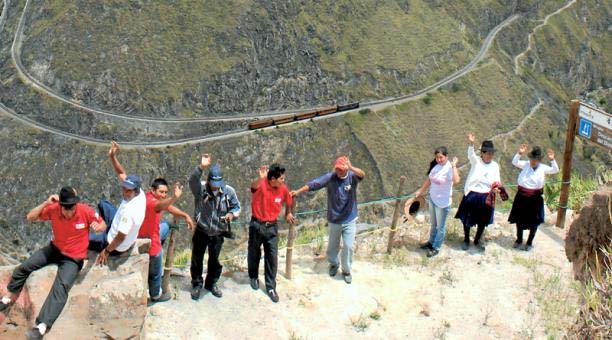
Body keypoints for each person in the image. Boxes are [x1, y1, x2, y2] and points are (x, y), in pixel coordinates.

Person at [0, 187, 106, 339]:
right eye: (66, 208)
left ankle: (41, 327)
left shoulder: (85, 211)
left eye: (72, 207)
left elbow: (103, 224)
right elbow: (30, 217)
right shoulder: (54, 209)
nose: (69, 211)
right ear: (60, 205)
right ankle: (7, 298)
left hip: (73, 258)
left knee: (61, 287)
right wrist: (45, 203)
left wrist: (98, 227)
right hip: (55, 249)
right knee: (24, 267)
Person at [291, 156, 365, 284]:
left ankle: (346, 270)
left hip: (349, 219)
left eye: (342, 169)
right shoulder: (330, 178)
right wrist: (298, 191)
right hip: (334, 219)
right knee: (332, 246)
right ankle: (333, 264)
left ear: (347, 168)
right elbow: (314, 184)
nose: (339, 171)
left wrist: (351, 167)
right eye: (337, 169)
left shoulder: (352, 177)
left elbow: (363, 174)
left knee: (348, 246)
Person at [188, 153, 241, 300]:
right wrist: (201, 167)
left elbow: (237, 207)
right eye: (213, 184)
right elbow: (192, 181)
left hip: (218, 232)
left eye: (218, 185)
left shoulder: (229, 191)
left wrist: (232, 214)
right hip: (202, 230)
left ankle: (211, 283)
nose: (216, 187)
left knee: (214, 259)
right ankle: (197, 283)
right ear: (209, 180)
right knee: (197, 259)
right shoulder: (201, 189)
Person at [248, 163, 295, 303]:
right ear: (272, 178)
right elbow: (253, 187)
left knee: (272, 256)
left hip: (272, 226)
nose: (283, 181)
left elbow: (289, 200)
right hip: (257, 224)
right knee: (254, 252)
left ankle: (270, 286)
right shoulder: (261, 185)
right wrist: (260, 178)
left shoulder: (283, 189)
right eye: (281, 178)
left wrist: (288, 213)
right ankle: (253, 277)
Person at [95, 142, 146, 265]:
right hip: (118, 223)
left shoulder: (129, 212)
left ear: (135, 190)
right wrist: (112, 156)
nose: (125, 192)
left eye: (128, 190)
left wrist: (106, 251)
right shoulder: (140, 193)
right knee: (103, 203)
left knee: (84, 239)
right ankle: (107, 225)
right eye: (124, 188)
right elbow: (121, 173)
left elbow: (120, 236)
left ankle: (104, 234)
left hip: (115, 244)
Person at [454, 133, 502, 252]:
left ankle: (477, 239)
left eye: (491, 153)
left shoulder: (495, 166)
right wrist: (471, 143)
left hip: (487, 194)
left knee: (483, 220)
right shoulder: (477, 162)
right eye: (487, 153)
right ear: (482, 153)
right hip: (473, 193)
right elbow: (470, 155)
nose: (489, 155)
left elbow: (497, 180)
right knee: (467, 218)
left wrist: (496, 188)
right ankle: (466, 239)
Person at [508, 145, 558, 251]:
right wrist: (520, 153)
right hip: (522, 196)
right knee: (519, 219)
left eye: (535, 159)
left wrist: (552, 159)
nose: (533, 161)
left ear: (539, 160)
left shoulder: (543, 168)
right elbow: (514, 162)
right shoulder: (525, 164)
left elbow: (555, 170)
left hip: (535, 198)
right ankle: (519, 239)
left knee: (534, 221)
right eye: (531, 159)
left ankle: (529, 242)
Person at [414, 147, 460, 257]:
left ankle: (436, 247)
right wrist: (421, 191)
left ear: (446, 157)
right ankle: (431, 242)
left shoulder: (449, 167)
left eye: (441, 157)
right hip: (433, 199)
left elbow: (457, 180)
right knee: (434, 224)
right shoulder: (436, 166)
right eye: (437, 157)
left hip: (443, 203)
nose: (439, 159)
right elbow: (429, 180)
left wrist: (454, 165)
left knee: (440, 226)